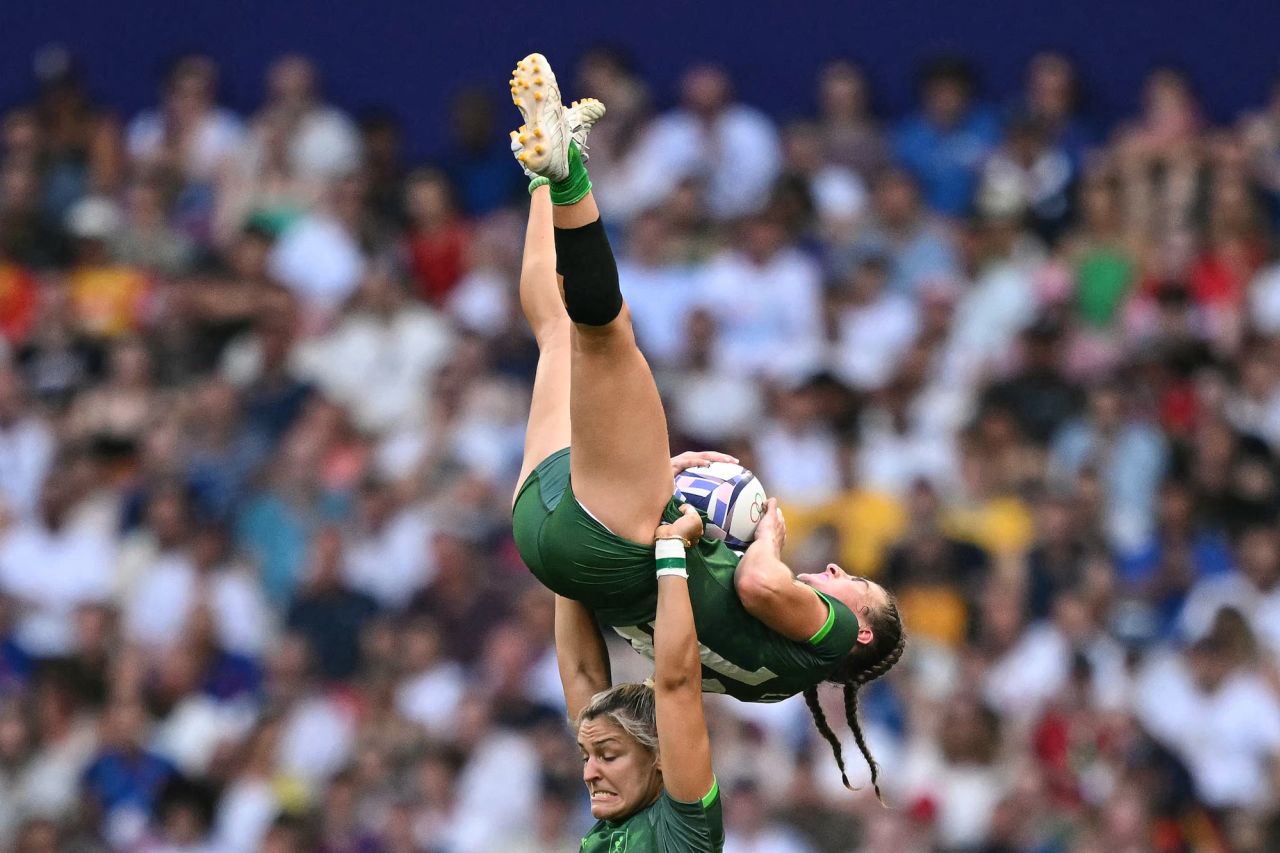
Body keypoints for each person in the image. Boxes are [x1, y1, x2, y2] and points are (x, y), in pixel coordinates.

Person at [506, 53, 905, 795]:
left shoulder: (825, 637)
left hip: (607, 539)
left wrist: (771, 525)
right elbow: (653, 649)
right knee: (561, 332)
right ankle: (544, 166)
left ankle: (565, 176)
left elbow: (755, 584)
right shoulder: (765, 685)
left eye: (858, 587)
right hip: (553, 545)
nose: (840, 575)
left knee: (600, 331)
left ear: (859, 632)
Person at [560, 502, 724, 851]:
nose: (589, 774)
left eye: (607, 755)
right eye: (587, 756)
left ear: (661, 756)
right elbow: (581, 671)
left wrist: (671, 549)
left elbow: (678, 683)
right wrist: (563, 552)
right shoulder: (611, 829)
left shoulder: (683, 831)